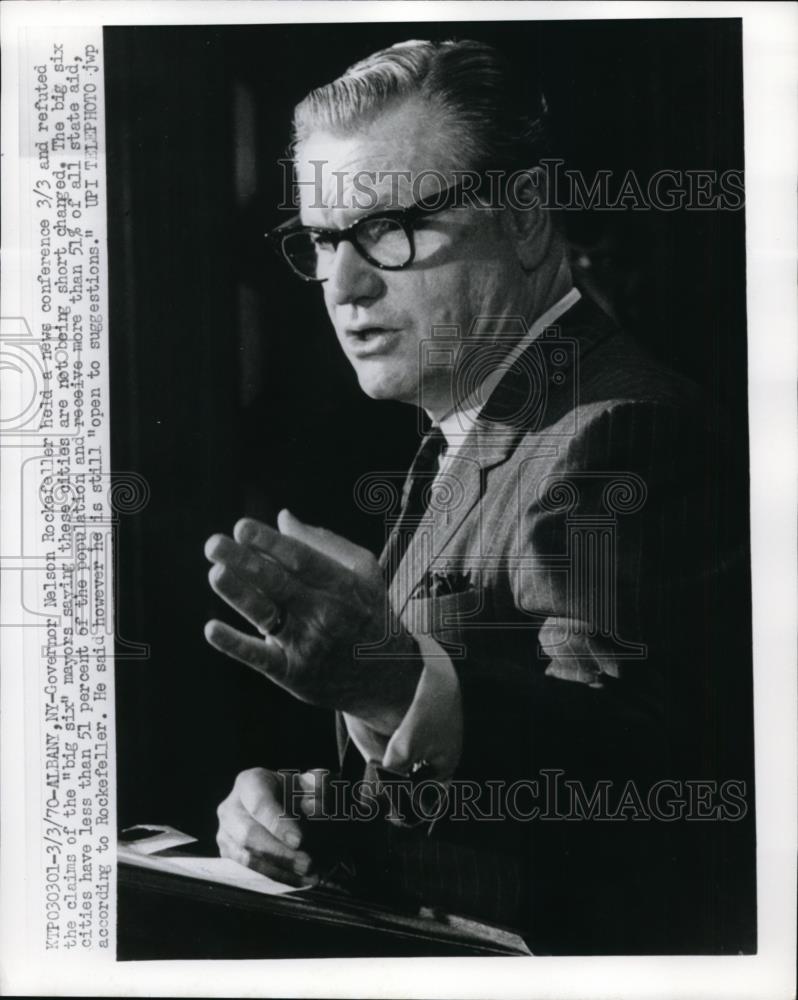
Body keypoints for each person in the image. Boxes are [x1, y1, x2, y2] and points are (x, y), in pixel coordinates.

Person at [204, 40, 752, 953]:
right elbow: (472, 808)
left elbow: (638, 787)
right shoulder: (468, 430)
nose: (344, 285)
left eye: (390, 229)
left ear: (529, 217)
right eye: (325, 239)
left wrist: (389, 678)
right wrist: (304, 812)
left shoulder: (620, 431)